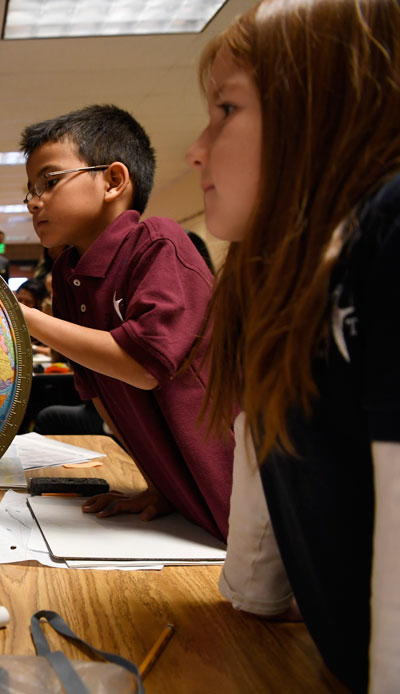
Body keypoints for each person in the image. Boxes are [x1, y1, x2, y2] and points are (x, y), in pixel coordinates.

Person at [187, 1, 400, 690]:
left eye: (225, 110)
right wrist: (253, 593)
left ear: (324, 106)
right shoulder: (267, 270)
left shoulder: (389, 228)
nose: (197, 148)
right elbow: (265, 437)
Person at [16, 104, 232, 541]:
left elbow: (144, 366)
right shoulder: (68, 273)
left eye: (50, 182)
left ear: (113, 180)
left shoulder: (158, 243)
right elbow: (100, 393)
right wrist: (162, 487)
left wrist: (24, 318)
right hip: (187, 504)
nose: (34, 200)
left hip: (238, 493)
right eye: (30, 190)